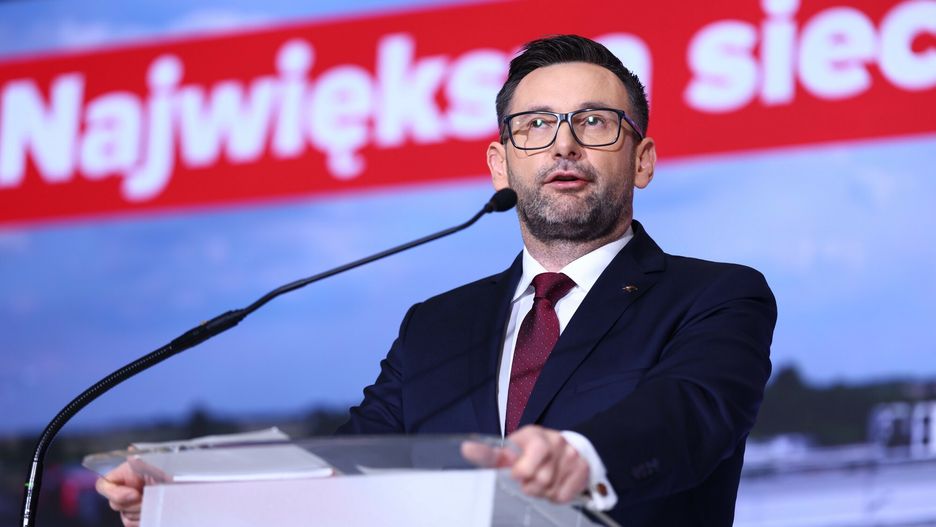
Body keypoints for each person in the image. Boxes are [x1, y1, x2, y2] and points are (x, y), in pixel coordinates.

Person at [97, 34, 776, 526]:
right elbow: (348, 465)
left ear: (643, 160)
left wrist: (578, 456)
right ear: (500, 165)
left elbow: (689, 412)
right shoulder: (438, 325)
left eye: (594, 122)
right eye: (535, 125)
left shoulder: (716, 297)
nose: (563, 144)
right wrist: (185, 498)